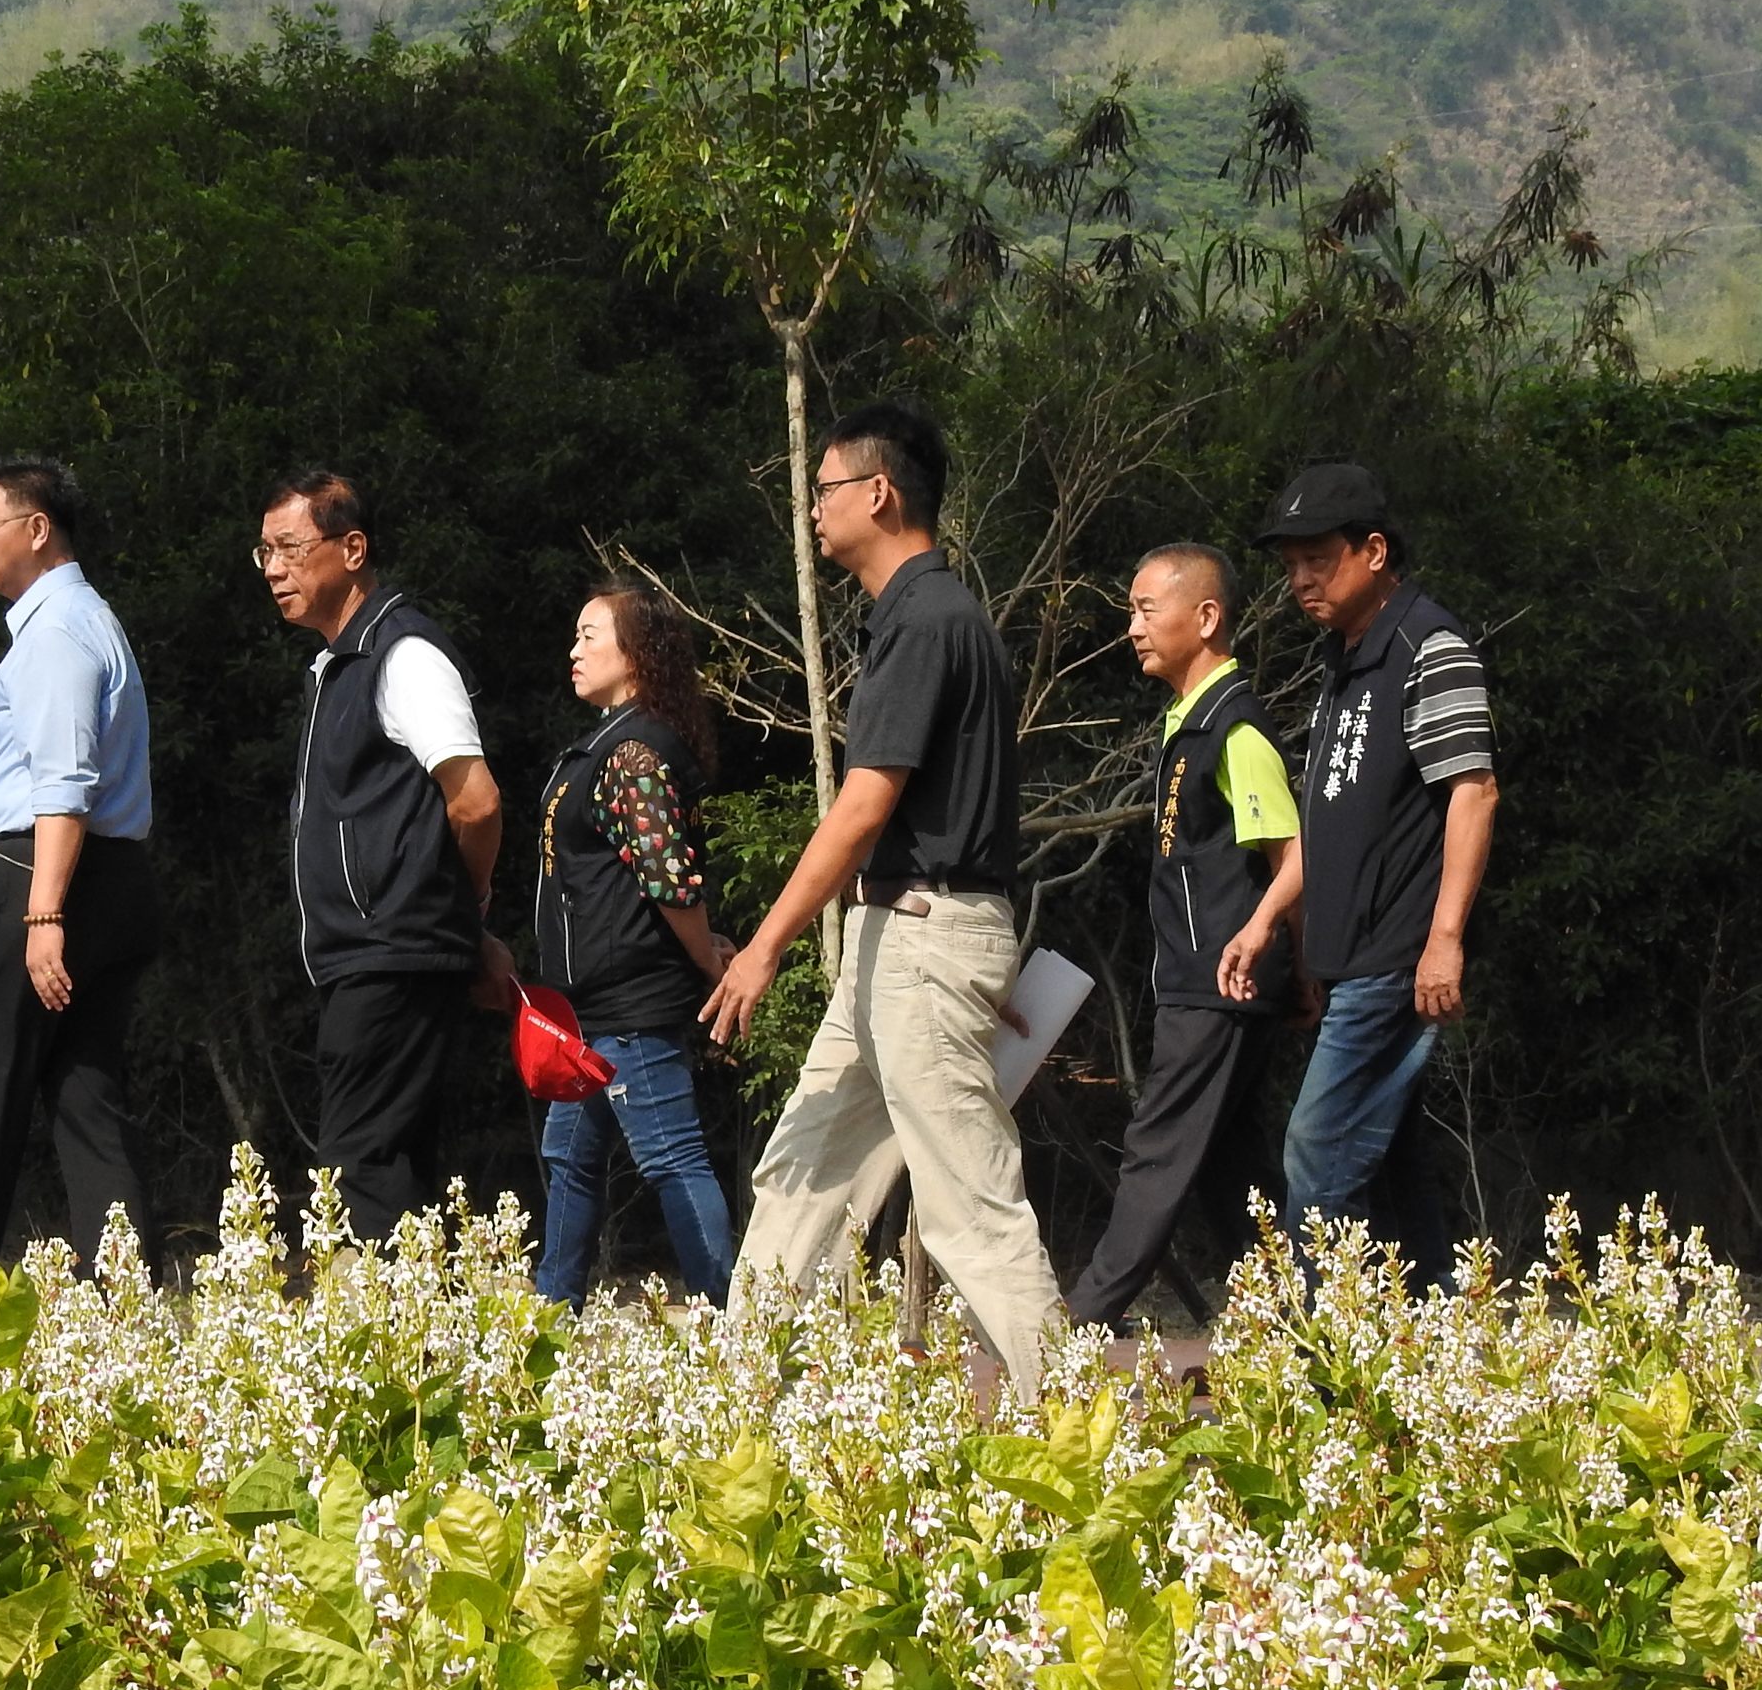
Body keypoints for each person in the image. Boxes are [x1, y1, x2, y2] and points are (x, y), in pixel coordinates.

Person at [704, 401, 1062, 1400]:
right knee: (804, 1167)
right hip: (893, 937)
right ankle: (750, 1401)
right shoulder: (918, 617)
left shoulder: (928, 619)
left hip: (924, 934)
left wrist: (763, 943)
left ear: (877, 493)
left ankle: (1079, 1428)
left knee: (967, 1205)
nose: (810, 508)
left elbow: (864, 806)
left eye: (821, 489)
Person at [1218, 461, 1500, 1281]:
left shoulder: (1428, 645)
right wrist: (1270, 921)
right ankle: (1440, 1347)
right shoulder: (1344, 662)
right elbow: (1331, 827)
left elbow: (1474, 793)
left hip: (1397, 959)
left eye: (1318, 559)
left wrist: (1445, 938)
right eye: (1290, 565)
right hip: (1353, 963)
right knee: (1396, 1170)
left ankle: (1335, 1363)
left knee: (1316, 1156)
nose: (1300, 580)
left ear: (1374, 551)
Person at [0, 455, 159, 1275]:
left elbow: (62, 783)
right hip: (88, 873)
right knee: (87, 1099)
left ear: (37, 529)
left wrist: (41, 912)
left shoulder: (55, 633)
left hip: (45, 882)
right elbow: (35, 786)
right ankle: (122, 1310)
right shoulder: (88, 621)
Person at [257, 469, 514, 1243]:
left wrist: (457, 914)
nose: (274, 568)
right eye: (263, 551)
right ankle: (423, 1347)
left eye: (292, 548)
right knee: (394, 1167)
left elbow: (477, 801)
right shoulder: (342, 664)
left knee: (356, 1171)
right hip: (372, 953)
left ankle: (383, 1346)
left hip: (391, 953)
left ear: (353, 548)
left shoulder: (402, 654)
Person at [1065, 542, 1299, 1328]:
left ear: (1205, 618)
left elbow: (1295, 856)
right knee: (1231, 1171)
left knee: (1159, 1149)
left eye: (1144, 608)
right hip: (1205, 982)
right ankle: (1306, 1330)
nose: (1132, 626)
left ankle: (1086, 1321)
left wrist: (1283, 954)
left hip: (1221, 985)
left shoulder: (1235, 726)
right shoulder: (1187, 722)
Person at [531, 584, 738, 1306]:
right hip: (586, 1006)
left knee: (671, 1155)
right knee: (569, 1155)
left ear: (637, 653)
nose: (573, 649)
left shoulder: (634, 752)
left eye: (591, 635)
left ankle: (728, 1330)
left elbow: (669, 880)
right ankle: (548, 1324)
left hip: (628, 1002)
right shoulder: (613, 742)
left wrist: (710, 961)